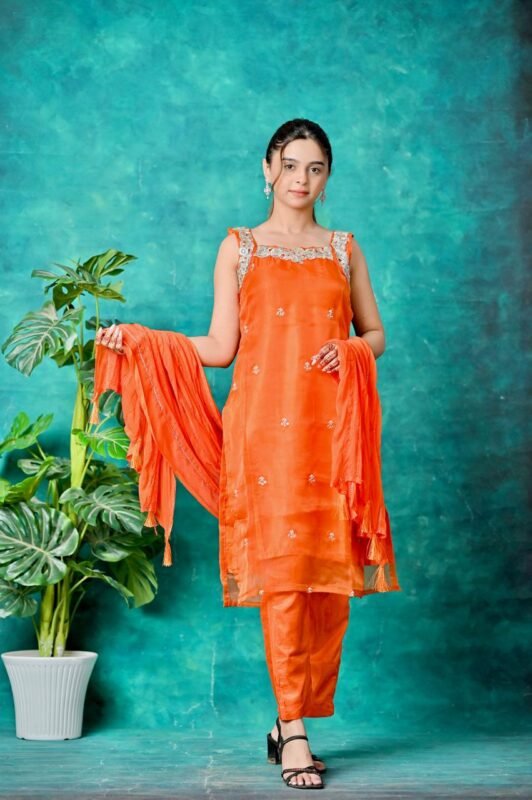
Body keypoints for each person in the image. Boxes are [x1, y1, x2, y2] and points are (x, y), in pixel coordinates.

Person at [95, 118, 401, 790]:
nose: (301, 179)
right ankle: (294, 727)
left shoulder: (344, 249)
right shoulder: (240, 247)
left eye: (315, 168)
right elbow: (220, 347)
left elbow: (376, 334)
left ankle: (290, 718)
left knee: (328, 585)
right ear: (267, 170)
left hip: (332, 437)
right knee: (284, 580)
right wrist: (144, 341)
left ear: (328, 177)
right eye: (290, 165)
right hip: (265, 437)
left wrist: (352, 348)